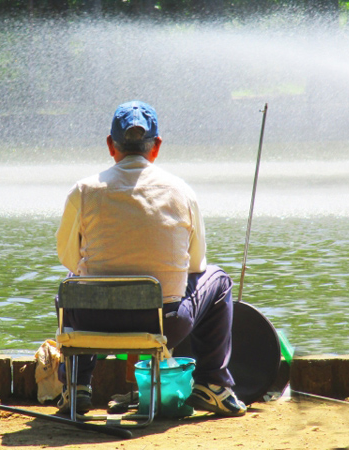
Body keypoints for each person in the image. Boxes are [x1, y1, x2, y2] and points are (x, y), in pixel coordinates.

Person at [55, 100, 246, 417]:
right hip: (164, 323)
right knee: (219, 280)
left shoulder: (83, 191)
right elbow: (196, 265)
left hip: (92, 321)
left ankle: (76, 386)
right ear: (156, 147)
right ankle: (213, 383)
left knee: (71, 287)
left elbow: (68, 258)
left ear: (109, 145)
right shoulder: (181, 191)